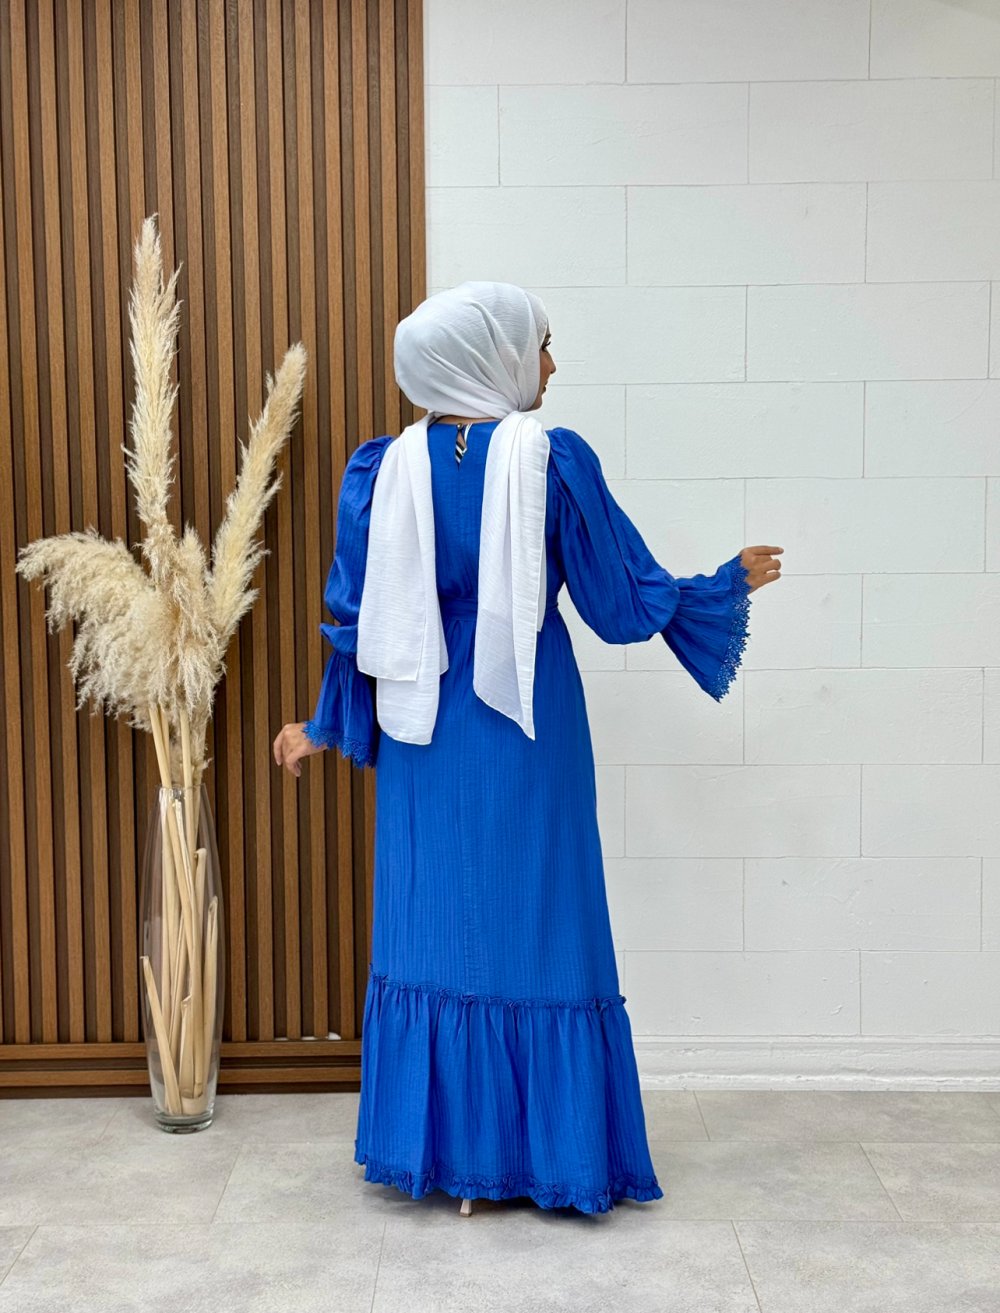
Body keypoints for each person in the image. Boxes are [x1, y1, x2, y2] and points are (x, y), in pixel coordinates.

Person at [273, 281, 783, 1215]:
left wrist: (325, 723)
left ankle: (449, 1156)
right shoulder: (552, 461)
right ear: (492, 354)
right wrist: (719, 587)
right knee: (543, 922)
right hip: (526, 715)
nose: (551, 362)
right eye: (541, 343)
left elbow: (356, 619)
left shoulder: (382, 471)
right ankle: (547, 1153)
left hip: (425, 722)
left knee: (436, 925)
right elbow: (619, 601)